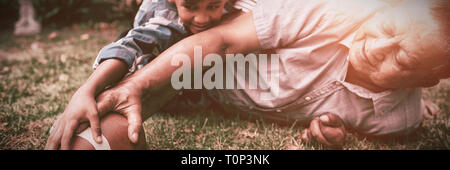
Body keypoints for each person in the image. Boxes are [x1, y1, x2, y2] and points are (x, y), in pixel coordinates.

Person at [47, 0, 450, 149]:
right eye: (387, 30)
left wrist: (325, 134)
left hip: (205, 97)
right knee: (118, 103)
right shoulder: (333, 10)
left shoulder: (398, 122)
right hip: (195, 58)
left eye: (402, 57)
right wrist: (135, 85)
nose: (375, 48)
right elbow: (218, 42)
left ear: (430, 78)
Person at [45, 0, 260, 150]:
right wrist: (87, 89)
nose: (202, 18)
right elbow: (135, 44)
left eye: (213, 6)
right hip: (157, 72)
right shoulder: (166, 17)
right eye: (190, 6)